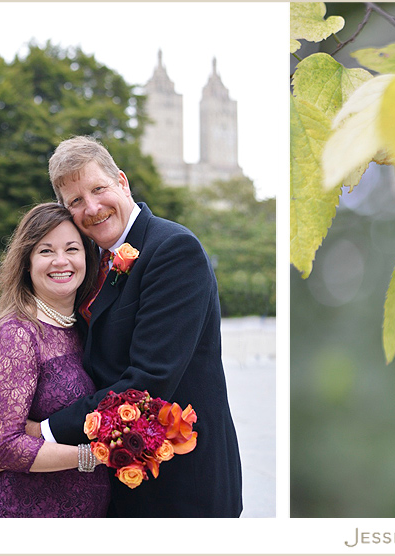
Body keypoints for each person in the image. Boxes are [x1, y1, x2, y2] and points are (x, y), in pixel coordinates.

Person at [36, 136, 242, 517]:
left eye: (99, 189)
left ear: (122, 182)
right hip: (118, 482)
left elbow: (148, 382)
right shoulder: (88, 261)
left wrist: (42, 433)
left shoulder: (174, 250)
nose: (92, 207)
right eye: (75, 201)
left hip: (181, 487)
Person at [0, 202, 109, 517]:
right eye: (46, 251)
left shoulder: (84, 327)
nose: (61, 261)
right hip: (27, 511)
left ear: (87, 258)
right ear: (27, 262)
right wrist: (95, 456)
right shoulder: (16, 334)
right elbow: (3, 447)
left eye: (72, 249)